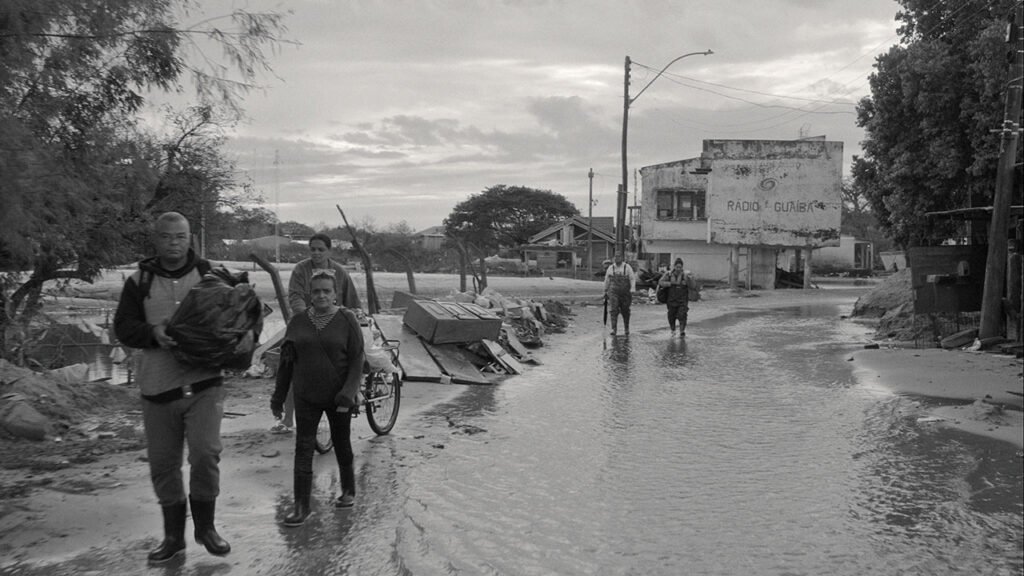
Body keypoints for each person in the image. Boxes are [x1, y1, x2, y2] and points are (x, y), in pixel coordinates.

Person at [113, 211, 231, 563]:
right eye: (166, 237)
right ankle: (173, 538)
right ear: (156, 240)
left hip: (204, 383)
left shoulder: (211, 275)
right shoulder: (139, 282)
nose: (174, 243)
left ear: (190, 238)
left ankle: (206, 528)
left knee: (205, 454)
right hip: (158, 387)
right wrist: (153, 333)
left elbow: (237, 314)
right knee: (163, 464)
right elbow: (124, 328)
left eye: (180, 236)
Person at [272, 270, 366, 526]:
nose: (321, 295)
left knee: (341, 442)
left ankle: (348, 490)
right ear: (309, 295)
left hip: (338, 397)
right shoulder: (298, 321)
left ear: (335, 293)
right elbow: (286, 362)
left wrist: (348, 393)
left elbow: (357, 358)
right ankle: (301, 506)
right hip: (306, 395)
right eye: (316, 291)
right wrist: (278, 397)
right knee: (303, 449)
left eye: (326, 290)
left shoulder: (347, 319)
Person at [272, 234, 362, 434]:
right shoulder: (300, 270)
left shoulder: (340, 272)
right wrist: (306, 319)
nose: (316, 253)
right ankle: (287, 418)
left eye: (321, 249)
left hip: (336, 326)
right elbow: (295, 296)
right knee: (294, 367)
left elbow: (351, 300)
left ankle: (352, 396)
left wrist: (352, 318)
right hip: (306, 326)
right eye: (312, 249)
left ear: (329, 251)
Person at [658, 258, 698, 336]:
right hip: (671, 300)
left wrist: (690, 280)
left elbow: (693, 286)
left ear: (682, 267)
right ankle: (673, 330)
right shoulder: (668, 274)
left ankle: (682, 331)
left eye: (680, 267)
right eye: (677, 267)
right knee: (671, 316)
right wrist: (669, 283)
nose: (678, 269)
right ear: (674, 266)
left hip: (682, 300)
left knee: (682, 315)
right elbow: (660, 282)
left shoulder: (685, 275)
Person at [603, 251, 636, 335]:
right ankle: (613, 329)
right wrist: (605, 290)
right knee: (613, 310)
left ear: (622, 258)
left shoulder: (627, 267)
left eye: (619, 256)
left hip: (625, 293)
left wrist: (632, 289)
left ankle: (626, 328)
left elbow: (632, 278)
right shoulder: (610, 268)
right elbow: (607, 280)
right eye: (615, 257)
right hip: (613, 292)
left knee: (625, 310)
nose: (617, 258)